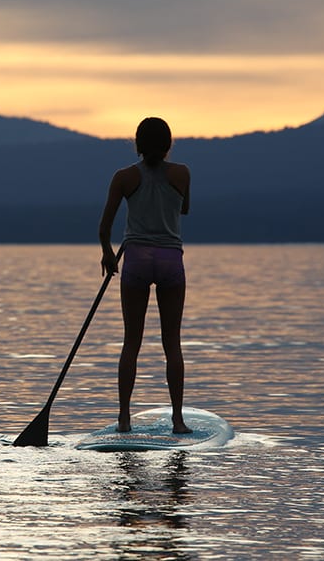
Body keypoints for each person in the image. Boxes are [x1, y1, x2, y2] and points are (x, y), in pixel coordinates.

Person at [97, 117, 192, 434]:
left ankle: (124, 418)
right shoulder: (182, 173)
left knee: (131, 343)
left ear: (137, 144)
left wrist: (109, 254)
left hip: (136, 259)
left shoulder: (123, 177)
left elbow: (104, 227)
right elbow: (184, 210)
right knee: (172, 344)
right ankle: (178, 420)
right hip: (170, 260)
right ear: (168, 145)